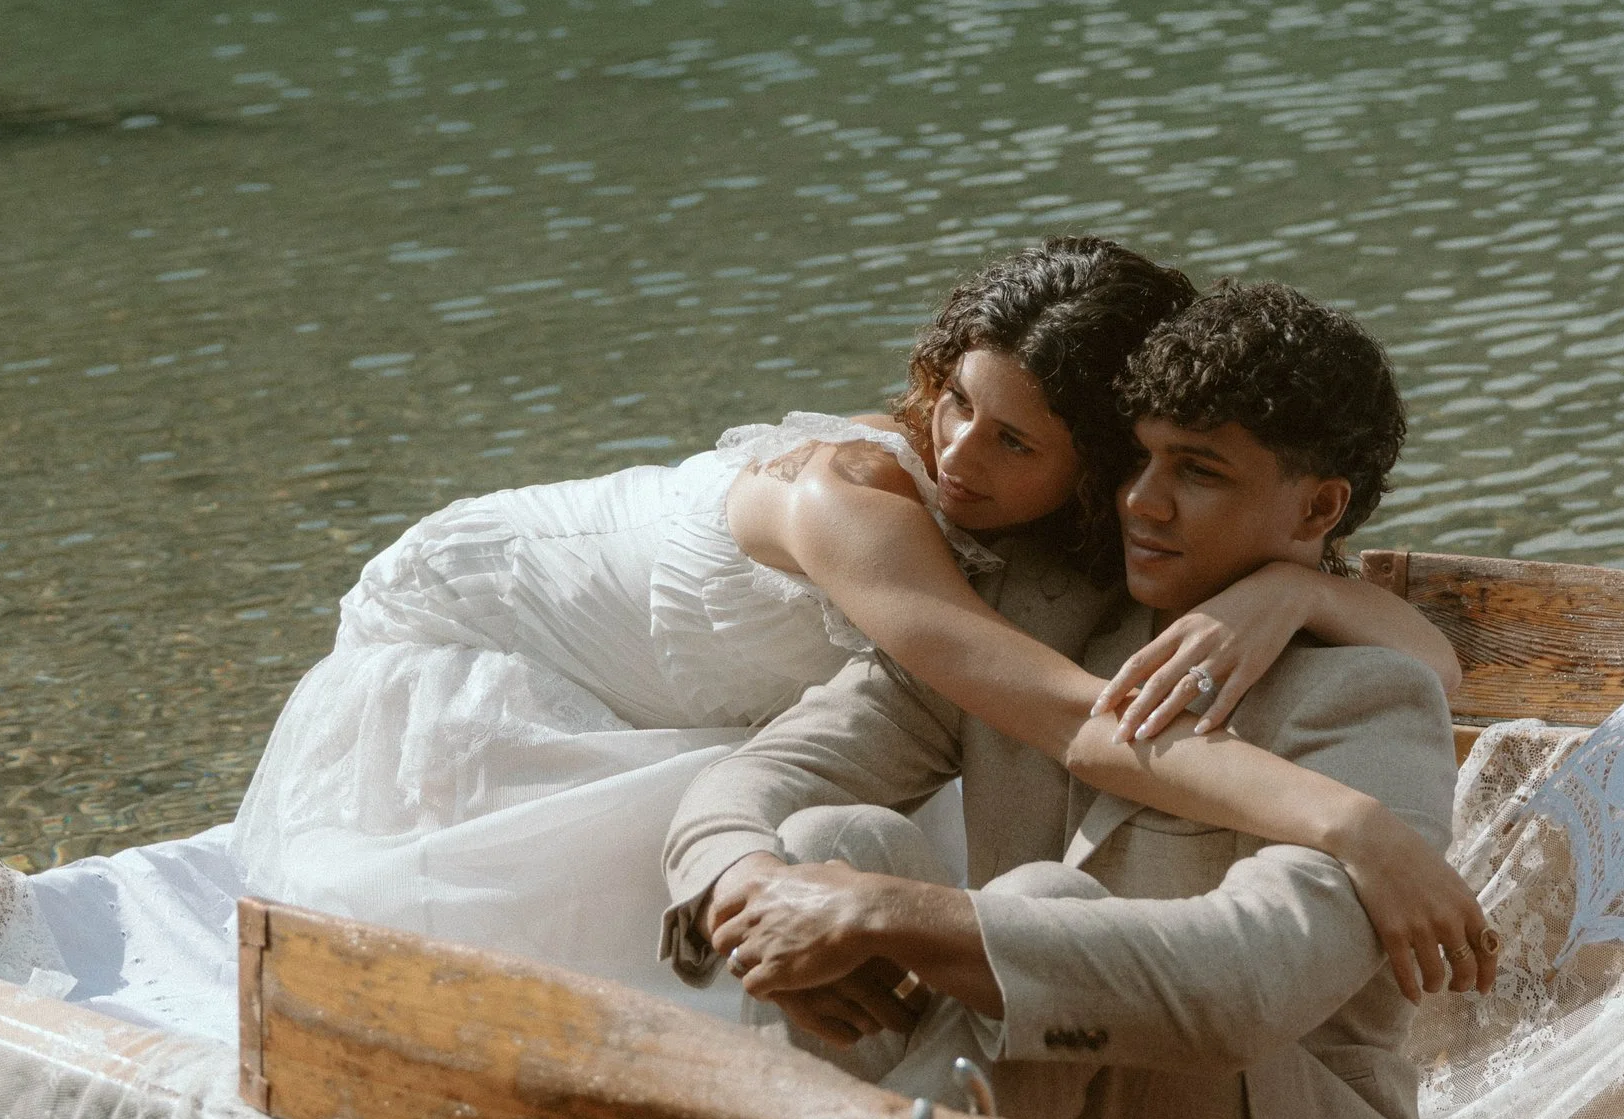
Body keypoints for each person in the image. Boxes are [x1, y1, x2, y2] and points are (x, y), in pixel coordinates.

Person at [228, 236, 1477, 981]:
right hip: (479, 640)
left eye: (1015, 442)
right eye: (955, 403)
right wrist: (1353, 827)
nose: (962, 454)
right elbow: (1071, 722)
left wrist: (1281, 590)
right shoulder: (856, 502)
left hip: (686, 700)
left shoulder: (1081, 526)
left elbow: (1432, 661)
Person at [669, 281, 1481, 1119]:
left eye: (1197, 472)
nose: (1142, 502)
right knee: (824, 843)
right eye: (1139, 457)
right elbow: (758, 779)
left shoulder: (1366, 697)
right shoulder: (1031, 621)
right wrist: (744, 881)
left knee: (1030, 905)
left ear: (1316, 511)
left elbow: (1244, 985)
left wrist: (893, 916)